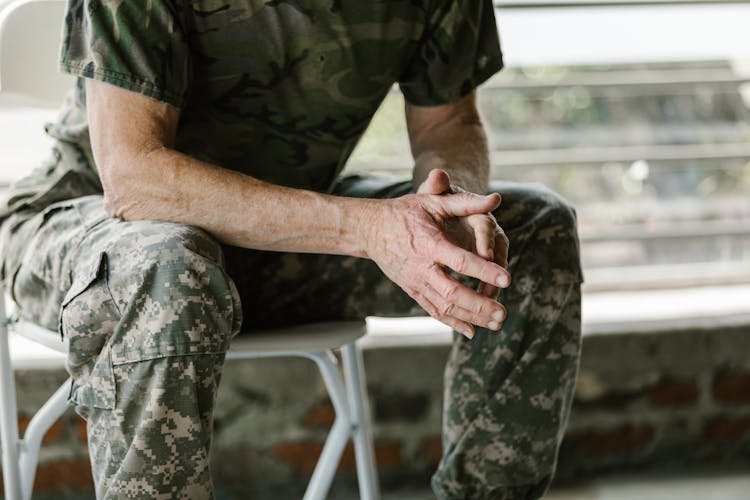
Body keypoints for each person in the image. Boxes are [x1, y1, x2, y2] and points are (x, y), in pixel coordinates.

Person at [0, 1, 583, 498]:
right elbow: (134, 178)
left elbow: (449, 121)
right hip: (94, 220)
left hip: (286, 229)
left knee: (534, 231)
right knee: (167, 264)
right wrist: (369, 230)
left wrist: (450, 200)